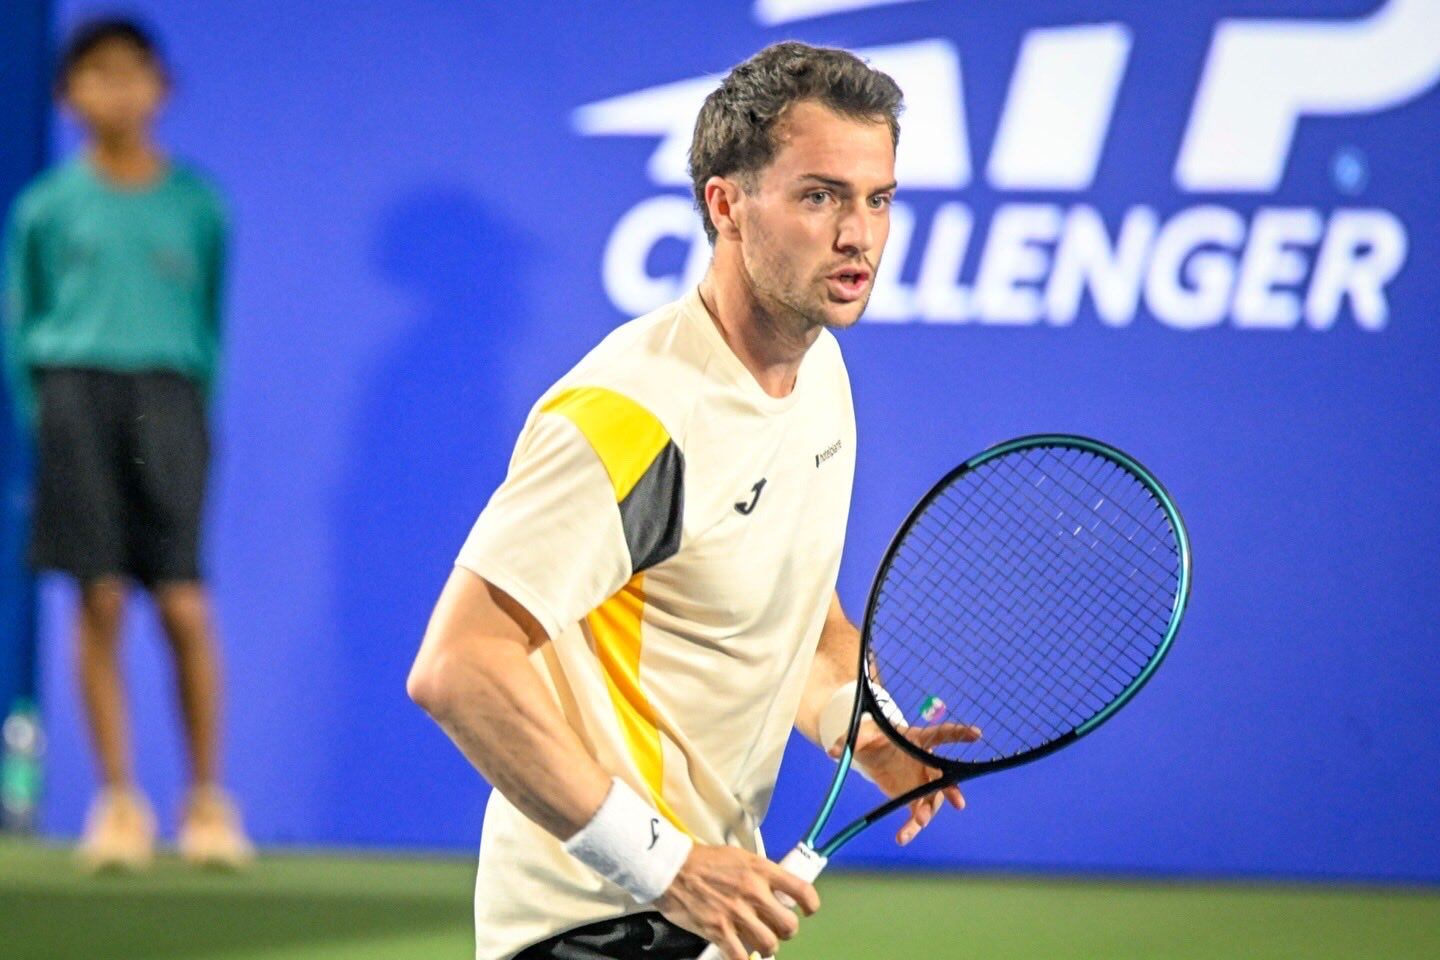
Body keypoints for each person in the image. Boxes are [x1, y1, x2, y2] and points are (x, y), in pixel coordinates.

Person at [409, 42, 971, 960]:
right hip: (589, 930)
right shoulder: (633, 421)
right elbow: (460, 665)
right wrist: (667, 864)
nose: (859, 235)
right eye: (820, 195)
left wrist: (862, 729)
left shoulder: (819, 372)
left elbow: (794, 612)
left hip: (697, 918)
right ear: (726, 205)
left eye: (879, 199)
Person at [2, 17, 252, 871]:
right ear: (67, 95)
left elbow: (208, 323)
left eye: (131, 74)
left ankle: (209, 805)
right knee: (99, 599)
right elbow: (21, 325)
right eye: (95, 75)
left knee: (182, 603)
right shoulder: (44, 210)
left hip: (169, 402)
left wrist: (188, 411)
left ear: (162, 88)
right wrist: (49, 420)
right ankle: (116, 803)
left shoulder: (199, 206)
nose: (115, 91)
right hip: (74, 397)